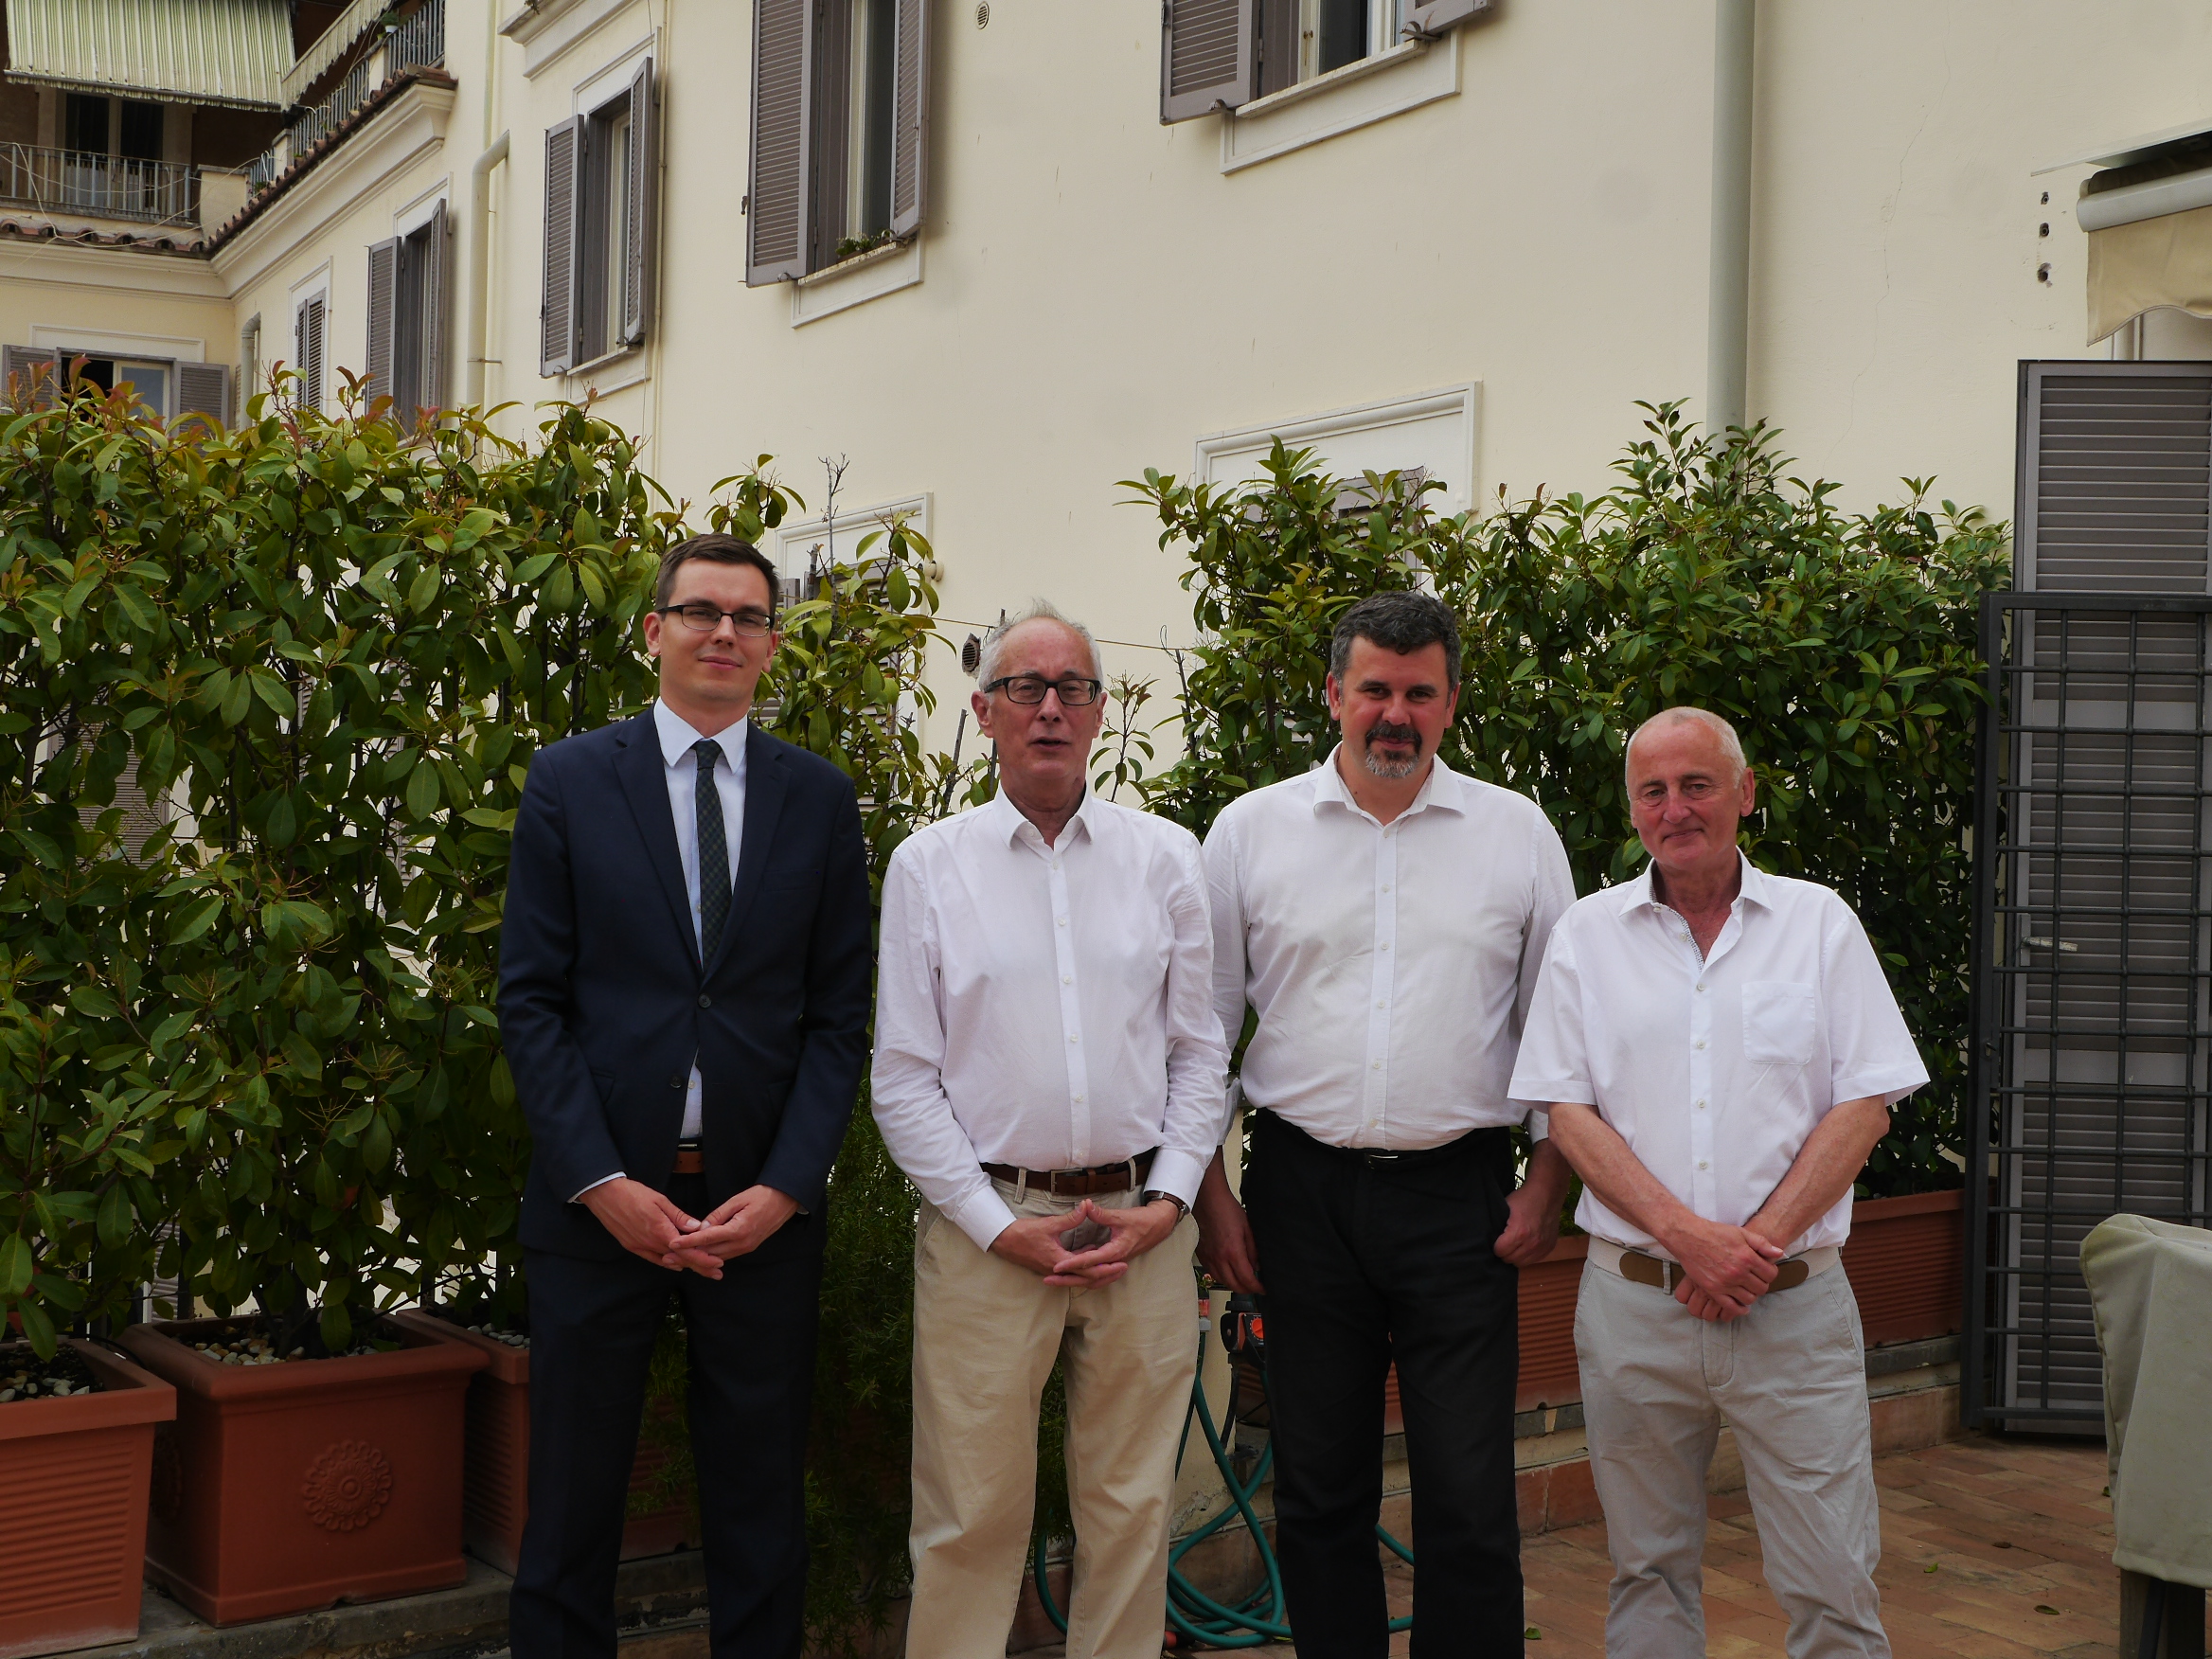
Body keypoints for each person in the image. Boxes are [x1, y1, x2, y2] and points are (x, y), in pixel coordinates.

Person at [497, 533, 873, 1658]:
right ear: (654, 630)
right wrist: (601, 1182)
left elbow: (837, 1019)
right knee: (570, 1510)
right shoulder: (569, 781)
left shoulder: (818, 798)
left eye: (749, 617)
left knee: (759, 1513)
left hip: (756, 1211)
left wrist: (787, 1187)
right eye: (702, 611)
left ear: (770, 645)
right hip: (598, 1212)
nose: (725, 633)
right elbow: (531, 1002)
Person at [1195, 589, 1577, 1657]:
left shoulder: (1516, 834)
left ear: (1450, 702)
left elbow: (1562, 1030)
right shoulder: (1249, 833)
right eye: (1374, 690)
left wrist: (1548, 1182)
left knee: (1468, 1492)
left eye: (1418, 693)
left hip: (1461, 1200)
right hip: (1299, 1196)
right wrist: (1211, 1198)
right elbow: (1198, 1035)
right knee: (1318, 1490)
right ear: (1334, 694)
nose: (1394, 715)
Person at [1508, 705, 1928, 1659]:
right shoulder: (1587, 936)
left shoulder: (1817, 925)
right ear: (1632, 809)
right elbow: (1567, 1114)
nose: (1675, 809)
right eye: (1652, 792)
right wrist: (1689, 1240)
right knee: (1646, 1575)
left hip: (1792, 1308)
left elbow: (1865, 1105)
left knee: (1833, 1584)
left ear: (1744, 793)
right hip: (1634, 1310)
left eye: (1696, 785)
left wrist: (1750, 1249)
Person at [872, 600, 1228, 1659]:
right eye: (1023, 688)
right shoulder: (927, 867)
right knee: (969, 1515)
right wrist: (995, 1228)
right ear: (984, 710)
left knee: (1131, 1510)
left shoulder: (1165, 858)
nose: (1049, 709)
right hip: (989, 1228)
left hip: (1139, 1229)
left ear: (1099, 710)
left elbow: (1198, 1053)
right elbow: (902, 1078)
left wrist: (1168, 1203)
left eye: (1072, 688)